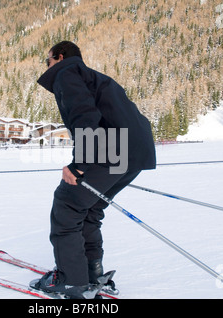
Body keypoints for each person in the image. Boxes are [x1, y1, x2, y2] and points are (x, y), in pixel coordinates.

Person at [32, 41, 156, 299]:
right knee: (90, 209)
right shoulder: (97, 78)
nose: (47, 66)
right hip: (136, 149)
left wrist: (79, 165)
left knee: (67, 206)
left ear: (60, 57)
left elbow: (84, 116)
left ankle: (72, 282)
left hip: (113, 149)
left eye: (48, 61)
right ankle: (92, 272)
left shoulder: (67, 73)